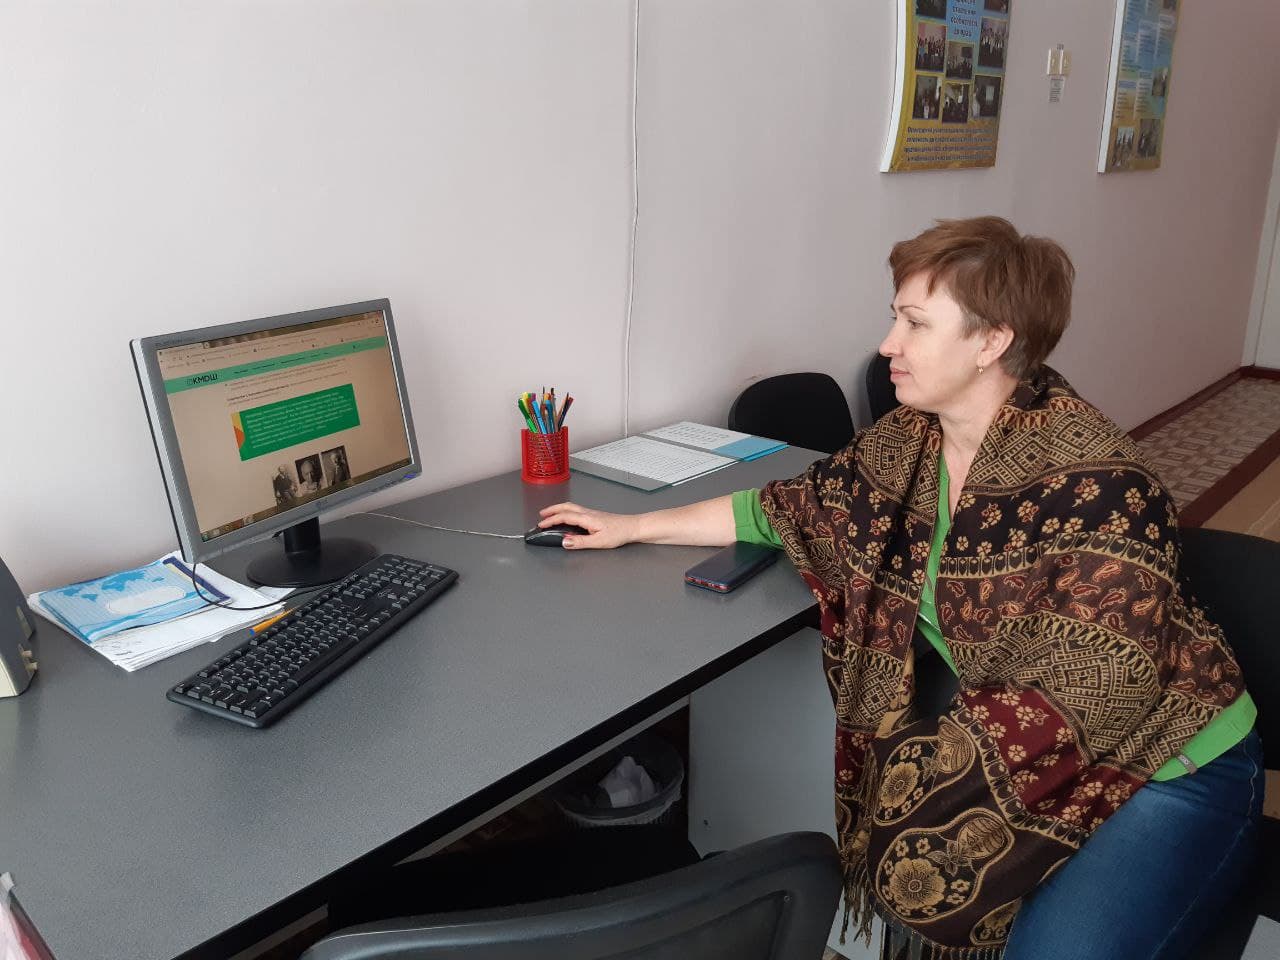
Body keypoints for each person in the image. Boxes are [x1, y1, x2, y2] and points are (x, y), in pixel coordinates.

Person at [537, 217, 1260, 960]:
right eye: (895, 318)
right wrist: (634, 525)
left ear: (991, 342)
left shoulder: (1099, 485)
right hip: (1036, 759)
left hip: (1169, 763)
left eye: (915, 323)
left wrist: (919, 785)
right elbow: (782, 508)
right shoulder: (910, 441)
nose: (888, 344)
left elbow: (1102, 683)